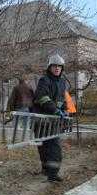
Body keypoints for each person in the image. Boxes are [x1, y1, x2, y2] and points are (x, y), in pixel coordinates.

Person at [33, 53, 67, 183]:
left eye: (59, 66)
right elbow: (42, 98)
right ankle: (47, 170)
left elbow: (61, 99)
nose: (57, 68)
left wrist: (64, 110)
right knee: (43, 146)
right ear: (50, 67)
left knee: (54, 147)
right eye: (54, 66)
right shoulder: (44, 80)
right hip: (41, 120)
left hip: (53, 121)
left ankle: (52, 174)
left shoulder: (62, 82)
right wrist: (55, 110)